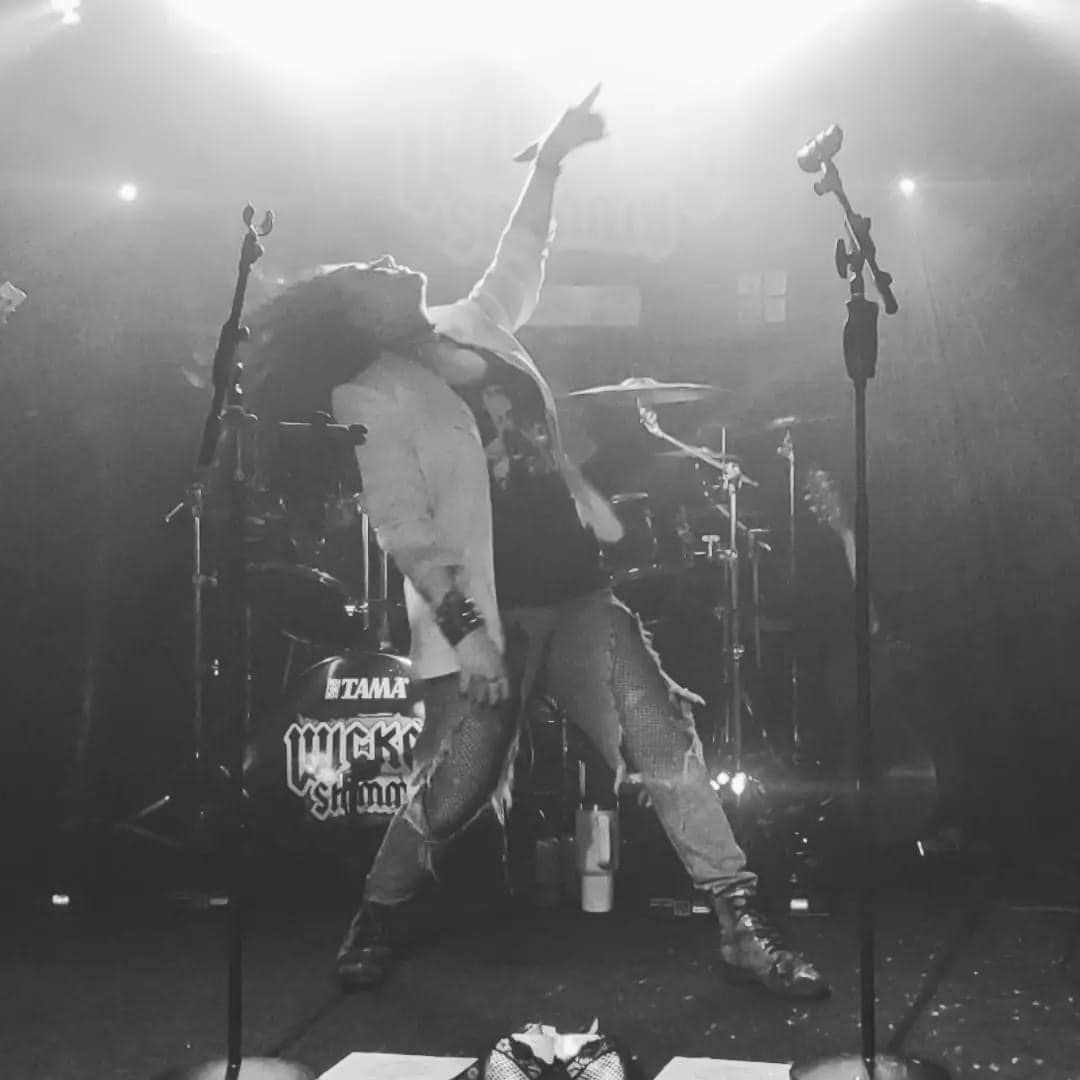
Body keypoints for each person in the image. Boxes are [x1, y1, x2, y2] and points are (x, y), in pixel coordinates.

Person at [249, 87, 829, 1002]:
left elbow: (522, 253)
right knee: (454, 788)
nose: (390, 261)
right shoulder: (370, 393)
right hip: (490, 618)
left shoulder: (476, 321)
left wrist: (552, 159)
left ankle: (738, 920)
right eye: (369, 270)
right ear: (359, 316)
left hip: (580, 594)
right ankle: (380, 909)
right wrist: (472, 639)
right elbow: (406, 530)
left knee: (663, 742)